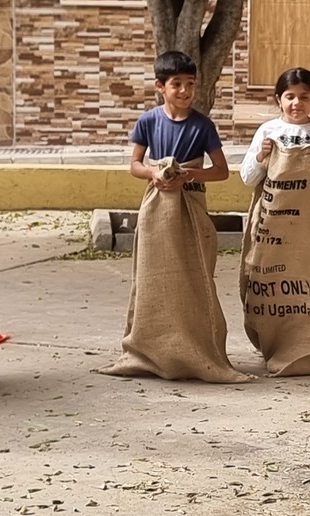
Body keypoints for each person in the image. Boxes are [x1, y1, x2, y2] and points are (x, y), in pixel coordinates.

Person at [100, 51, 248, 384]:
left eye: (190, 84)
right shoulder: (148, 121)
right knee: (154, 277)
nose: (184, 91)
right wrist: (154, 173)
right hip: (157, 208)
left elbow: (221, 171)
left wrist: (191, 175)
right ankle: (150, 351)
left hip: (191, 207)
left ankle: (197, 351)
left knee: (194, 277)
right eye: (176, 84)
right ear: (160, 86)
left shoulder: (203, 125)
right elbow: (135, 165)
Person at [238, 67, 310, 375]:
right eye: (290, 97)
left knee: (309, 280)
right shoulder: (267, 130)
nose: (297, 103)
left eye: (304, 97)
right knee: (267, 281)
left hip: (306, 227)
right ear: (278, 100)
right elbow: (247, 178)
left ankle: (305, 346)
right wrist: (262, 155)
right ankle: (272, 342)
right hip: (270, 225)